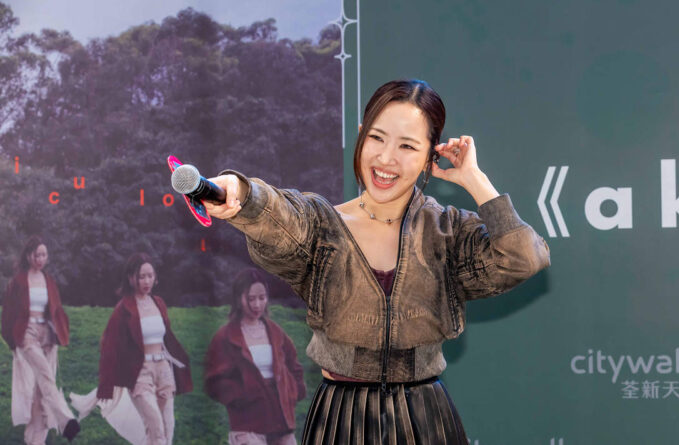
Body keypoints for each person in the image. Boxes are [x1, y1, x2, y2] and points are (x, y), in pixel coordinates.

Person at [205, 79, 550, 443]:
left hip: (426, 418)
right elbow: (279, 215)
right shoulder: (322, 227)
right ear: (361, 137)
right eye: (376, 138)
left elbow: (524, 258)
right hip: (340, 419)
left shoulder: (449, 231)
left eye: (407, 146)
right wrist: (241, 192)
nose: (386, 158)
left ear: (430, 157)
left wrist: (474, 179)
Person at [95, 252, 192, 445]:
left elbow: (167, 336)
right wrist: (105, 384)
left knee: (167, 426)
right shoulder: (124, 308)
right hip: (140, 373)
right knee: (156, 427)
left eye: (150, 276)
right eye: (141, 277)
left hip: (163, 369)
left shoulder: (158, 303)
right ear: (131, 278)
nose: (147, 281)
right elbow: (109, 345)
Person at [204, 268, 306, 445]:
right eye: (250, 299)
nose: (257, 305)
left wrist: (292, 392)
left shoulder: (275, 331)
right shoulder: (225, 336)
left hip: (281, 421)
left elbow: (294, 366)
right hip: (247, 424)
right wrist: (242, 395)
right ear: (238, 299)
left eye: (262, 298)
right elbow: (213, 382)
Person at [1, 236, 80, 444]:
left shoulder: (49, 281)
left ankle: (35, 438)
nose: (41, 259)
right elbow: (7, 314)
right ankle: (66, 420)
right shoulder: (18, 281)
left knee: (40, 389)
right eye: (37, 255)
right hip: (27, 333)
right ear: (28, 256)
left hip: (47, 335)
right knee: (46, 376)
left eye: (44, 255)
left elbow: (57, 309)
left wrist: (60, 333)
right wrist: (13, 342)